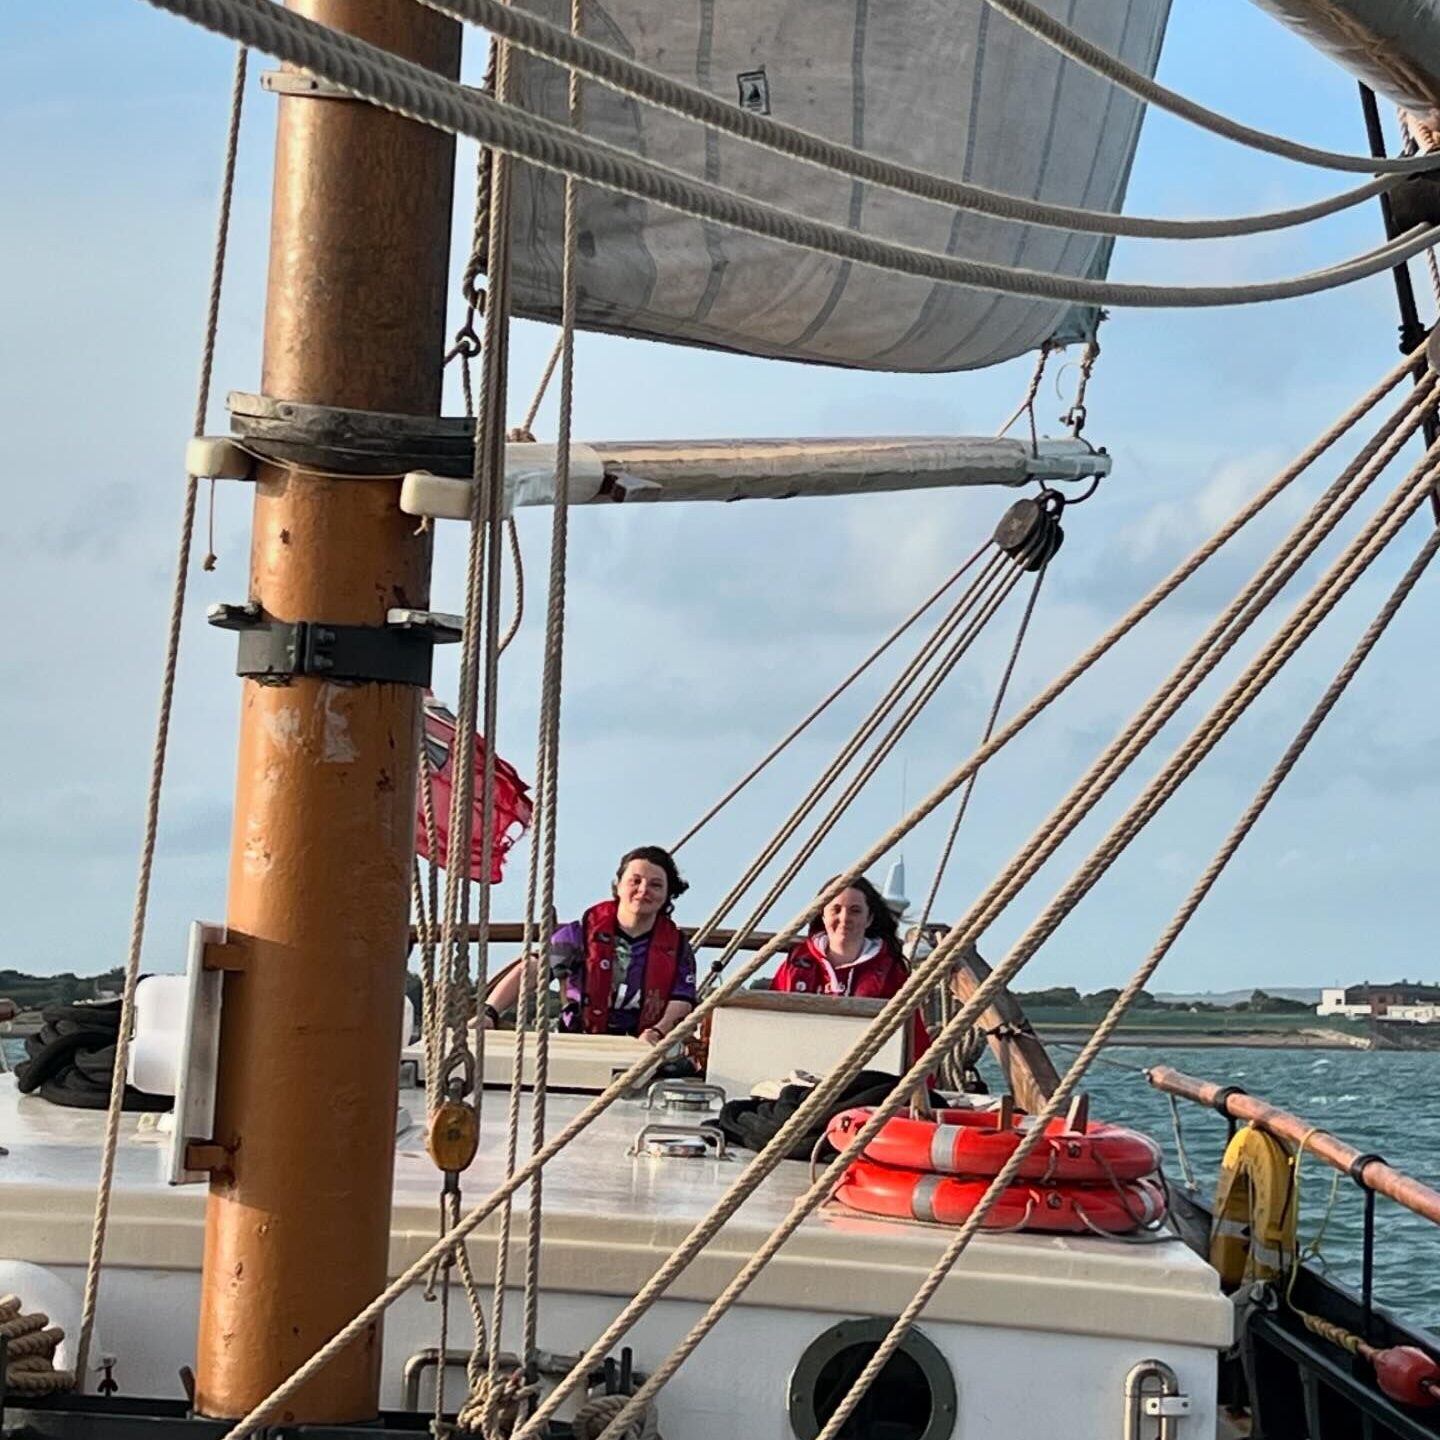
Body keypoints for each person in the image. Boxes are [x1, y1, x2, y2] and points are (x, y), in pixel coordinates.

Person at [482, 845, 697, 1044]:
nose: (644, 890)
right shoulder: (581, 934)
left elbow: (682, 999)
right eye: (635, 881)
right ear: (618, 885)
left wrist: (657, 1032)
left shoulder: (677, 947)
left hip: (644, 1046)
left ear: (668, 894)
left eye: (655, 885)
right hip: (581, 1041)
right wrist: (489, 1013)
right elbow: (533, 970)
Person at [772, 875, 931, 1056]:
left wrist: (922, 1081)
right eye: (836, 909)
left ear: (869, 919)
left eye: (855, 911)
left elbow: (913, 1037)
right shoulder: (794, 966)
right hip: (796, 1068)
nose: (844, 918)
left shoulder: (891, 974)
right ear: (822, 915)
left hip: (866, 1076)